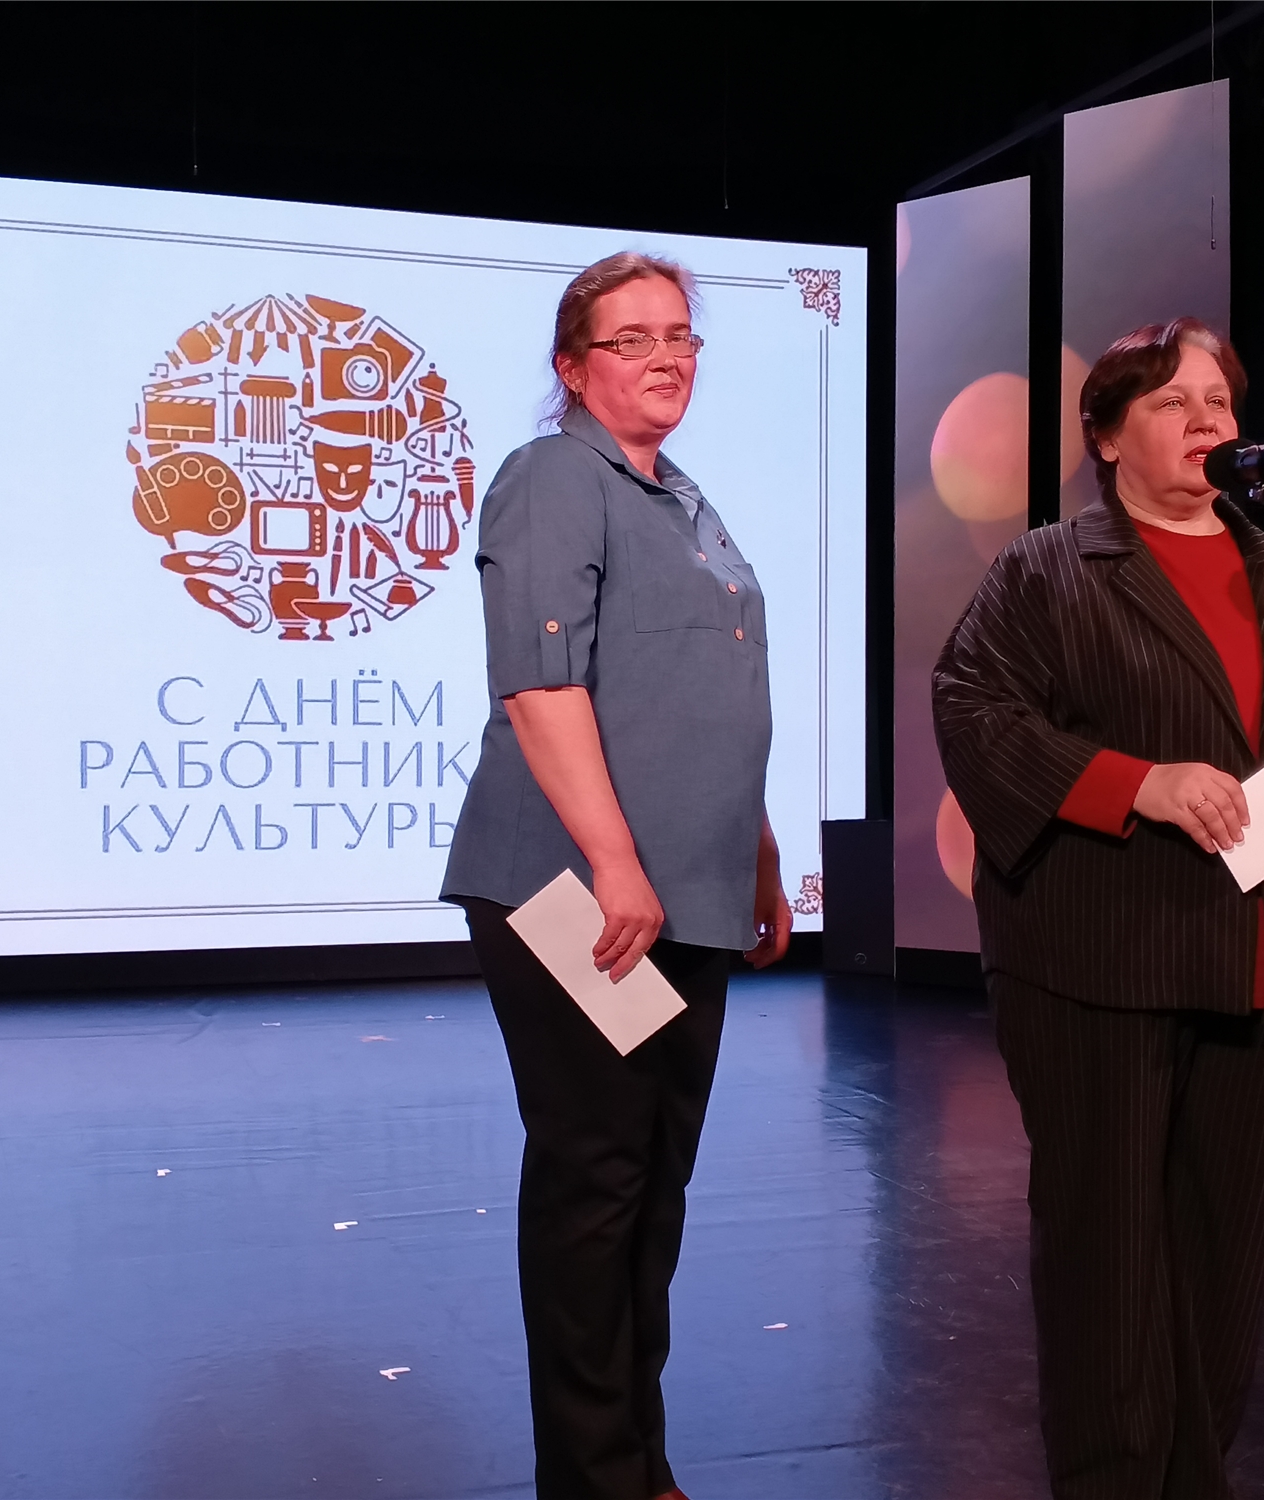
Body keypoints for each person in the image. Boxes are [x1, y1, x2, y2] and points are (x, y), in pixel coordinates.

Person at [932, 318, 1264, 1500]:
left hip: (1261, 958)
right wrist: (1131, 783)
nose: (1204, 423)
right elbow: (973, 711)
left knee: (1221, 1252)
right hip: (1100, 955)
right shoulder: (1048, 569)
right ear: (1104, 436)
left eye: (1217, 404)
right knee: (1108, 1255)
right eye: (1169, 403)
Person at [441, 251, 793, 1500]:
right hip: (573, 894)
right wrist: (611, 863)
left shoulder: (679, 498)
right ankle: (593, 1476)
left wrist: (756, 858)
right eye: (630, 338)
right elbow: (540, 690)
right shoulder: (553, 477)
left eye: (679, 335)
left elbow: (703, 699)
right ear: (570, 365)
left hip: (685, 891)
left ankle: (638, 1464)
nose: (664, 357)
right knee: (597, 1180)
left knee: (651, 1184)